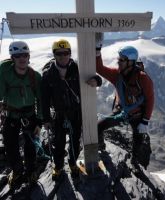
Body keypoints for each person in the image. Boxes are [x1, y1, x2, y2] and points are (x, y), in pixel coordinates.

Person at [41, 39, 102, 180]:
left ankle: (73, 164)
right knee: (59, 142)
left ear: (70, 53)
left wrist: (96, 81)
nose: (63, 56)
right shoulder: (48, 74)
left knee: (74, 141)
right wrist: (46, 119)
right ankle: (58, 166)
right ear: (54, 55)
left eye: (65, 53)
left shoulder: (78, 69)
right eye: (59, 53)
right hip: (59, 114)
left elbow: (96, 78)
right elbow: (44, 99)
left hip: (76, 113)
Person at [96, 45, 154, 169]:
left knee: (137, 139)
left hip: (137, 115)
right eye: (119, 59)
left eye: (122, 60)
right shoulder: (117, 75)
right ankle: (101, 148)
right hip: (121, 111)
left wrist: (145, 121)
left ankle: (134, 163)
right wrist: (97, 51)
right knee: (99, 127)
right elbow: (99, 68)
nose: (118, 62)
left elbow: (150, 99)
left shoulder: (142, 78)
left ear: (131, 62)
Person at [0, 41, 43, 187]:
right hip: (11, 115)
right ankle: (17, 171)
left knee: (30, 145)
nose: (22, 58)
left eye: (24, 55)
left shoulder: (35, 76)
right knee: (10, 145)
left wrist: (39, 121)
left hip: (29, 114)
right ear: (12, 58)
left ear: (29, 57)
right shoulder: (4, 73)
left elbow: (41, 100)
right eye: (17, 55)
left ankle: (31, 170)